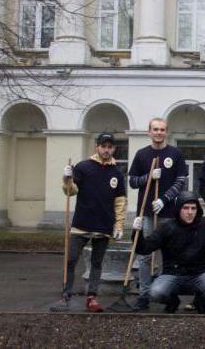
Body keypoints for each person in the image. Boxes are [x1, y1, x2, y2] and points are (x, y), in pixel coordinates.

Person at [59, 132, 126, 312]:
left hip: (103, 226)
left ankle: (92, 298)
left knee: (97, 263)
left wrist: (119, 226)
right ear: (97, 146)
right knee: (71, 260)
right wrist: (67, 178)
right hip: (81, 224)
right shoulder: (83, 167)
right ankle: (66, 296)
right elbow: (70, 192)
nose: (106, 149)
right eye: (103, 146)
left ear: (114, 148)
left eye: (110, 146)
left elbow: (120, 202)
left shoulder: (117, 173)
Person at [128, 117, 188, 311]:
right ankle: (144, 295)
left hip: (168, 213)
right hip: (146, 213)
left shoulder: (175, 153)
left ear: (166, 132)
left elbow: (180, 181)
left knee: (168, 255)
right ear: (149, 132)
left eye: (162, 130)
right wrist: (148, 177)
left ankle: (166, 295)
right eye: (155, 129)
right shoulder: (141, 154)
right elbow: (132, 181)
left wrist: (164, 199)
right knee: (144, 256)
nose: (159, 133)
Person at [132, 191, 205, 314]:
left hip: (199, 275)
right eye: (186, 208)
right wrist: (137, 232)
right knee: (155, 292)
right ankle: (172, 302)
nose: (190, 212)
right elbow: (144, 248)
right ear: (179, 209)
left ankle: (200, 301)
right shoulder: (167, 227)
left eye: (193, 208)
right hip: (172, 275)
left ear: (198, 210)